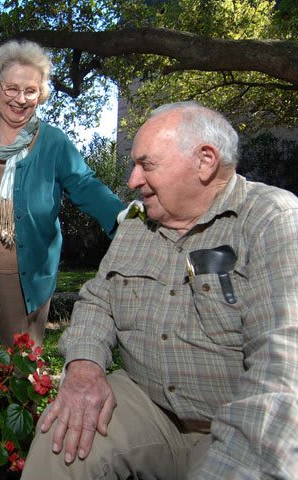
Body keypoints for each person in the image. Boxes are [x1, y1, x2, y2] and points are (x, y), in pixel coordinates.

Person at [22, 101, 298, 479]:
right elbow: (97, 301)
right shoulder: (138, 223)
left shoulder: (271, 219)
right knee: (62, 441)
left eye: (146, 165)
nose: (133, 180)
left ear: (204, 161)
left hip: (233, 419)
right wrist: (84, 368)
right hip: (146, 403)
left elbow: (282, 368)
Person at [0, 39, 125, 348]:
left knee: (19, 366)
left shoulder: (53, 142)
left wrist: (118, 213)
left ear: (41, 95)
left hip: (23, 276)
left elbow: (85, 184)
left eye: (31, 90)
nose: (20, 99)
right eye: (11, 88)